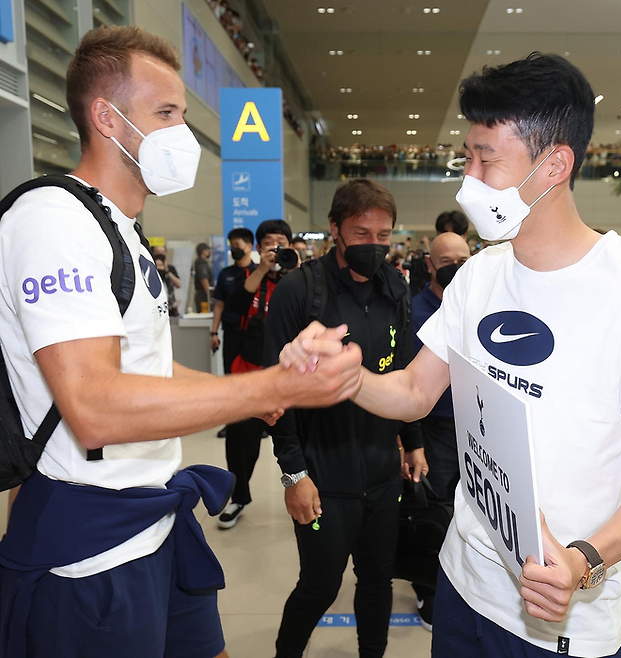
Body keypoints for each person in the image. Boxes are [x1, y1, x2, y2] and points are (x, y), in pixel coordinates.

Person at [0, 25, 363, 658]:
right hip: (90, 549)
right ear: (107, 119)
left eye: (183, 116)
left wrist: (249, 395)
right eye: (165, 114)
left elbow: (147, 367)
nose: (183, 133)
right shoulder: (53, 221)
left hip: (158, 521)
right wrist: (276, 384)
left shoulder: (122, 231)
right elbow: (95, 407)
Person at [281, 53, 621, 658]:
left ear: (554, 166)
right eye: (468, 157)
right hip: (464, 581)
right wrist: (340, 376)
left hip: (559, 619)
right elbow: (413, 391)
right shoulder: (481, 274)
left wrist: (585, 559)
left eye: (487, 159)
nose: (469, 179)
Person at [264, 179, 428, 658]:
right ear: (334, 229)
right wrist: (295, 474)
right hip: (322, 472)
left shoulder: (394, 287)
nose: (373, 246)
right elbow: (275, 392)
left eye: (383, 236)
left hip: (380, 471)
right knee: (319, 584)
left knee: (377, 580)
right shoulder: (300, 291)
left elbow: (403, 367)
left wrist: (412, 439)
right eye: (361, 235)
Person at [217, 220, 298, 529]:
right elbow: (235, 306)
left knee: (302, 440)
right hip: (249, 375)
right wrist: (263, 270)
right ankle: (238, 496)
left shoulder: (301, 279)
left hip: (292, 378)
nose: (275, 248)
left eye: (281, 242)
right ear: (259, 248)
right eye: (269, 243)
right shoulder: (247, 276)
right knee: (241, 442)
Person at [408, 231, 470, 631]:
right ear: (430, 264)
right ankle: (427, 586)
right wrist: (409, 442)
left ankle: (463, 582)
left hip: (473, 426)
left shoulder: (477, 301)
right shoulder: (416, 310)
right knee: (434, 508)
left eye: (463, 259)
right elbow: (407, 383)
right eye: (447, 261)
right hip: (434, 428)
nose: (456, 267)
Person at [209, 227, 256, 371]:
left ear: (248, 247)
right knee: (230, 371)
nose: (233, 248)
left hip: (254, 333)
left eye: (237, 245)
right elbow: (219, 305)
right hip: (231, 333)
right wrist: (214, 332)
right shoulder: (225, 274)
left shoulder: (258, 273)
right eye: (231, 245)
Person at [153, 248, 182, 317]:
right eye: (157, 251)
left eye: (162, 252)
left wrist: (167, 271)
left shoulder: (170, 269)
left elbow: (179, 284)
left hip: (170, 308)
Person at [194, 242, 213, 312]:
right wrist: (210, 296)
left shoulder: (198, 262)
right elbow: (204, 280)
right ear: (203, 251)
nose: (209, 252)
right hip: (203, 296)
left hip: (202, 295)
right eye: (208, 250)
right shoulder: (201, 263)